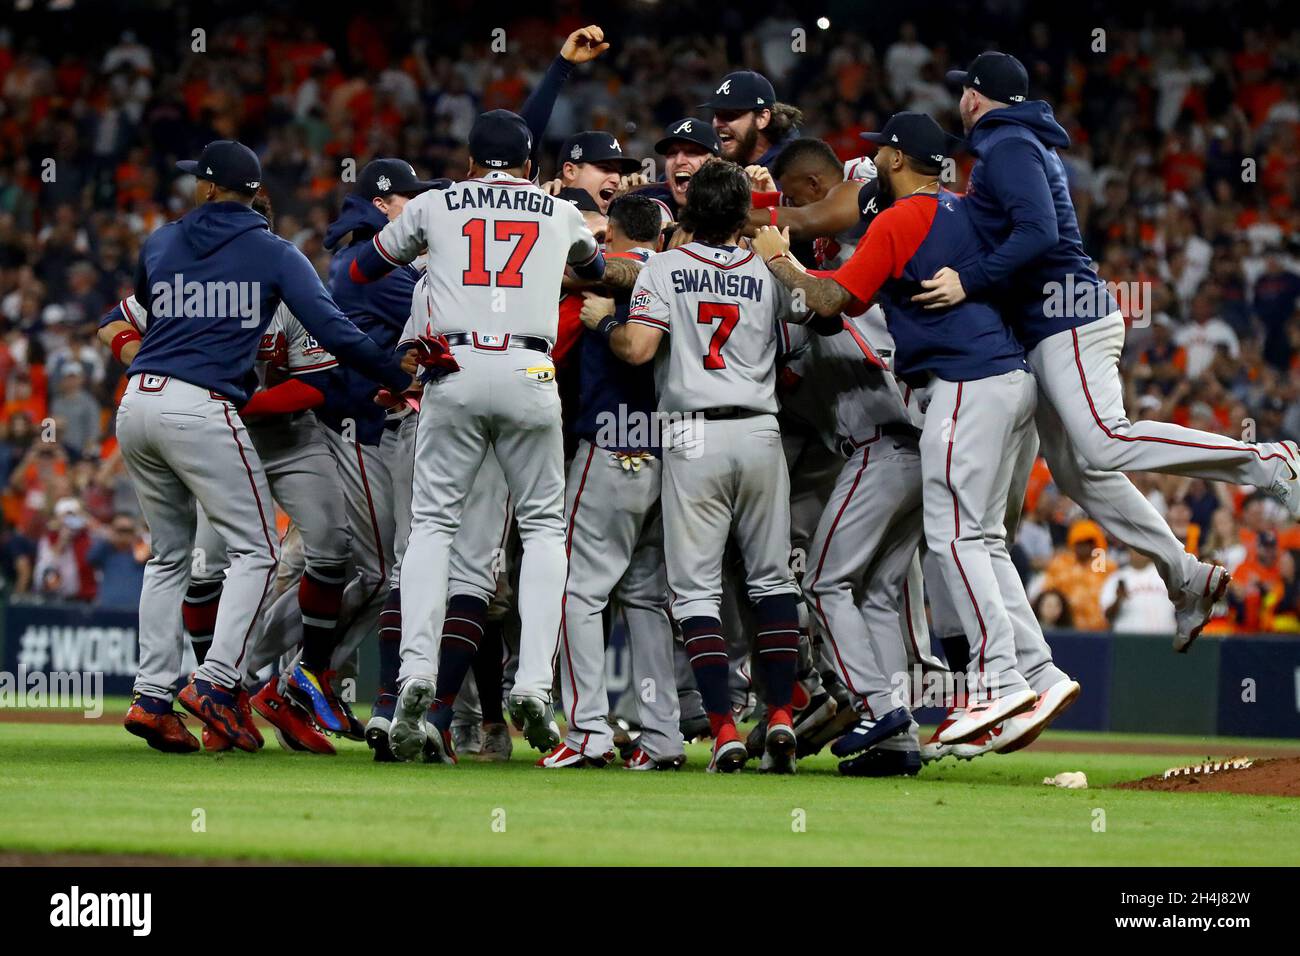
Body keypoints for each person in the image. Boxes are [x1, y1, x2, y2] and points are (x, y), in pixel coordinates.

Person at [921, 51, 1300, 653]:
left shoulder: (1009, 143)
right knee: (1077, 470)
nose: (959, 102)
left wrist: (970, 280)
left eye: (963, 92)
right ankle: (1186, 575)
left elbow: (1039, 232)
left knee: (1103, 438)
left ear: (974, 96)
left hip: (1067, 315)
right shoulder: (1011, 143)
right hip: (1048, 326)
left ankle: (1267, 462)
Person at [754, 111, 1080, 751]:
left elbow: (829, 302)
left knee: (954, 536)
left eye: (880, 151)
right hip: (1011, 380)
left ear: (899, 159)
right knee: (980, 538)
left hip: (963, 384)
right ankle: (1039, 670)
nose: (872, 159)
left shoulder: (900, 218)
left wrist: (781, 260)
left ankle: (995, 682)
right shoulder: (962, 210)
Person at [348, 109, 640, 760]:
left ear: (472, 162)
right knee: (540, 531)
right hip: (531, 370)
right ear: (532, 165)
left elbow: (360, 272)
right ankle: (534, 682)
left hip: (452, 371)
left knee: (431, 528)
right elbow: (598, 271)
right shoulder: (559, 211)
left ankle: (416, 673)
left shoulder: (438, 204)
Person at [116, 139, 412, 755]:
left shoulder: (162, 241)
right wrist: (394, 372)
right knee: (253, 550)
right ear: (253, 195)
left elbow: (141, 313)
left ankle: (150, 699)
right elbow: (334, 329)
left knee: (168, 557)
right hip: (203, 409)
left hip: (137, 406)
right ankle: (220, 684)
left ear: (207, 186)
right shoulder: (273, 255)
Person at [595, 160, 805, 774]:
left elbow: (637, 349)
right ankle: (783, 716)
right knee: (771, 582)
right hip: (762, 430)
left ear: (686, 214)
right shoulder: (769, 271)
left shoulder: (663, 267)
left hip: (692, 432)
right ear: (742, 215)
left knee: (694, 592)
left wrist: (606, 321)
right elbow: (813, 317)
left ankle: (721, 730)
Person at [553, 194, 684, 770]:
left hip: (610, 448)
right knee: (647, 600)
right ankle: (662, 738)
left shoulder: (602, 282)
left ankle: (587, 733)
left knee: (579, 593)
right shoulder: (680, 278)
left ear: (611, 239)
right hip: (670, 454)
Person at [701, 70, 802, 169]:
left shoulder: (793, 170)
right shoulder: (723, 164)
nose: (718, 124)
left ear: (762, 118)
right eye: (717, 114)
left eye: (729, 115)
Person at [1039, 520, 1117, 631]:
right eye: (1079, 542)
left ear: (1094, 543)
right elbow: (1047, 594)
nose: (1084, 546)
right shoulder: (1061, 563)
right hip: (1065, 629)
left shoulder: (1107, 565)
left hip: (1099, 631)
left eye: (1088, 542)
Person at [1102, 551, 1177, 634]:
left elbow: (1184, 608)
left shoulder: (1167, 575)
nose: (1138, 554)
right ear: (1129, 551)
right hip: (1130, 640)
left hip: (1164, 638)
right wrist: (1118, 600)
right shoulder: (1117, 577)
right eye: (1134, 550)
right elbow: (1107, 616)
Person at [86, 513, 146, 609]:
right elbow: (90, 558)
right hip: (108, 610)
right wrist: (108, 538)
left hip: (135, 611)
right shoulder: (106, 552)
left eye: (127, 531)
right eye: (119, 530)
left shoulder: (142, 554)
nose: (123, 535)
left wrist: (139, 540)